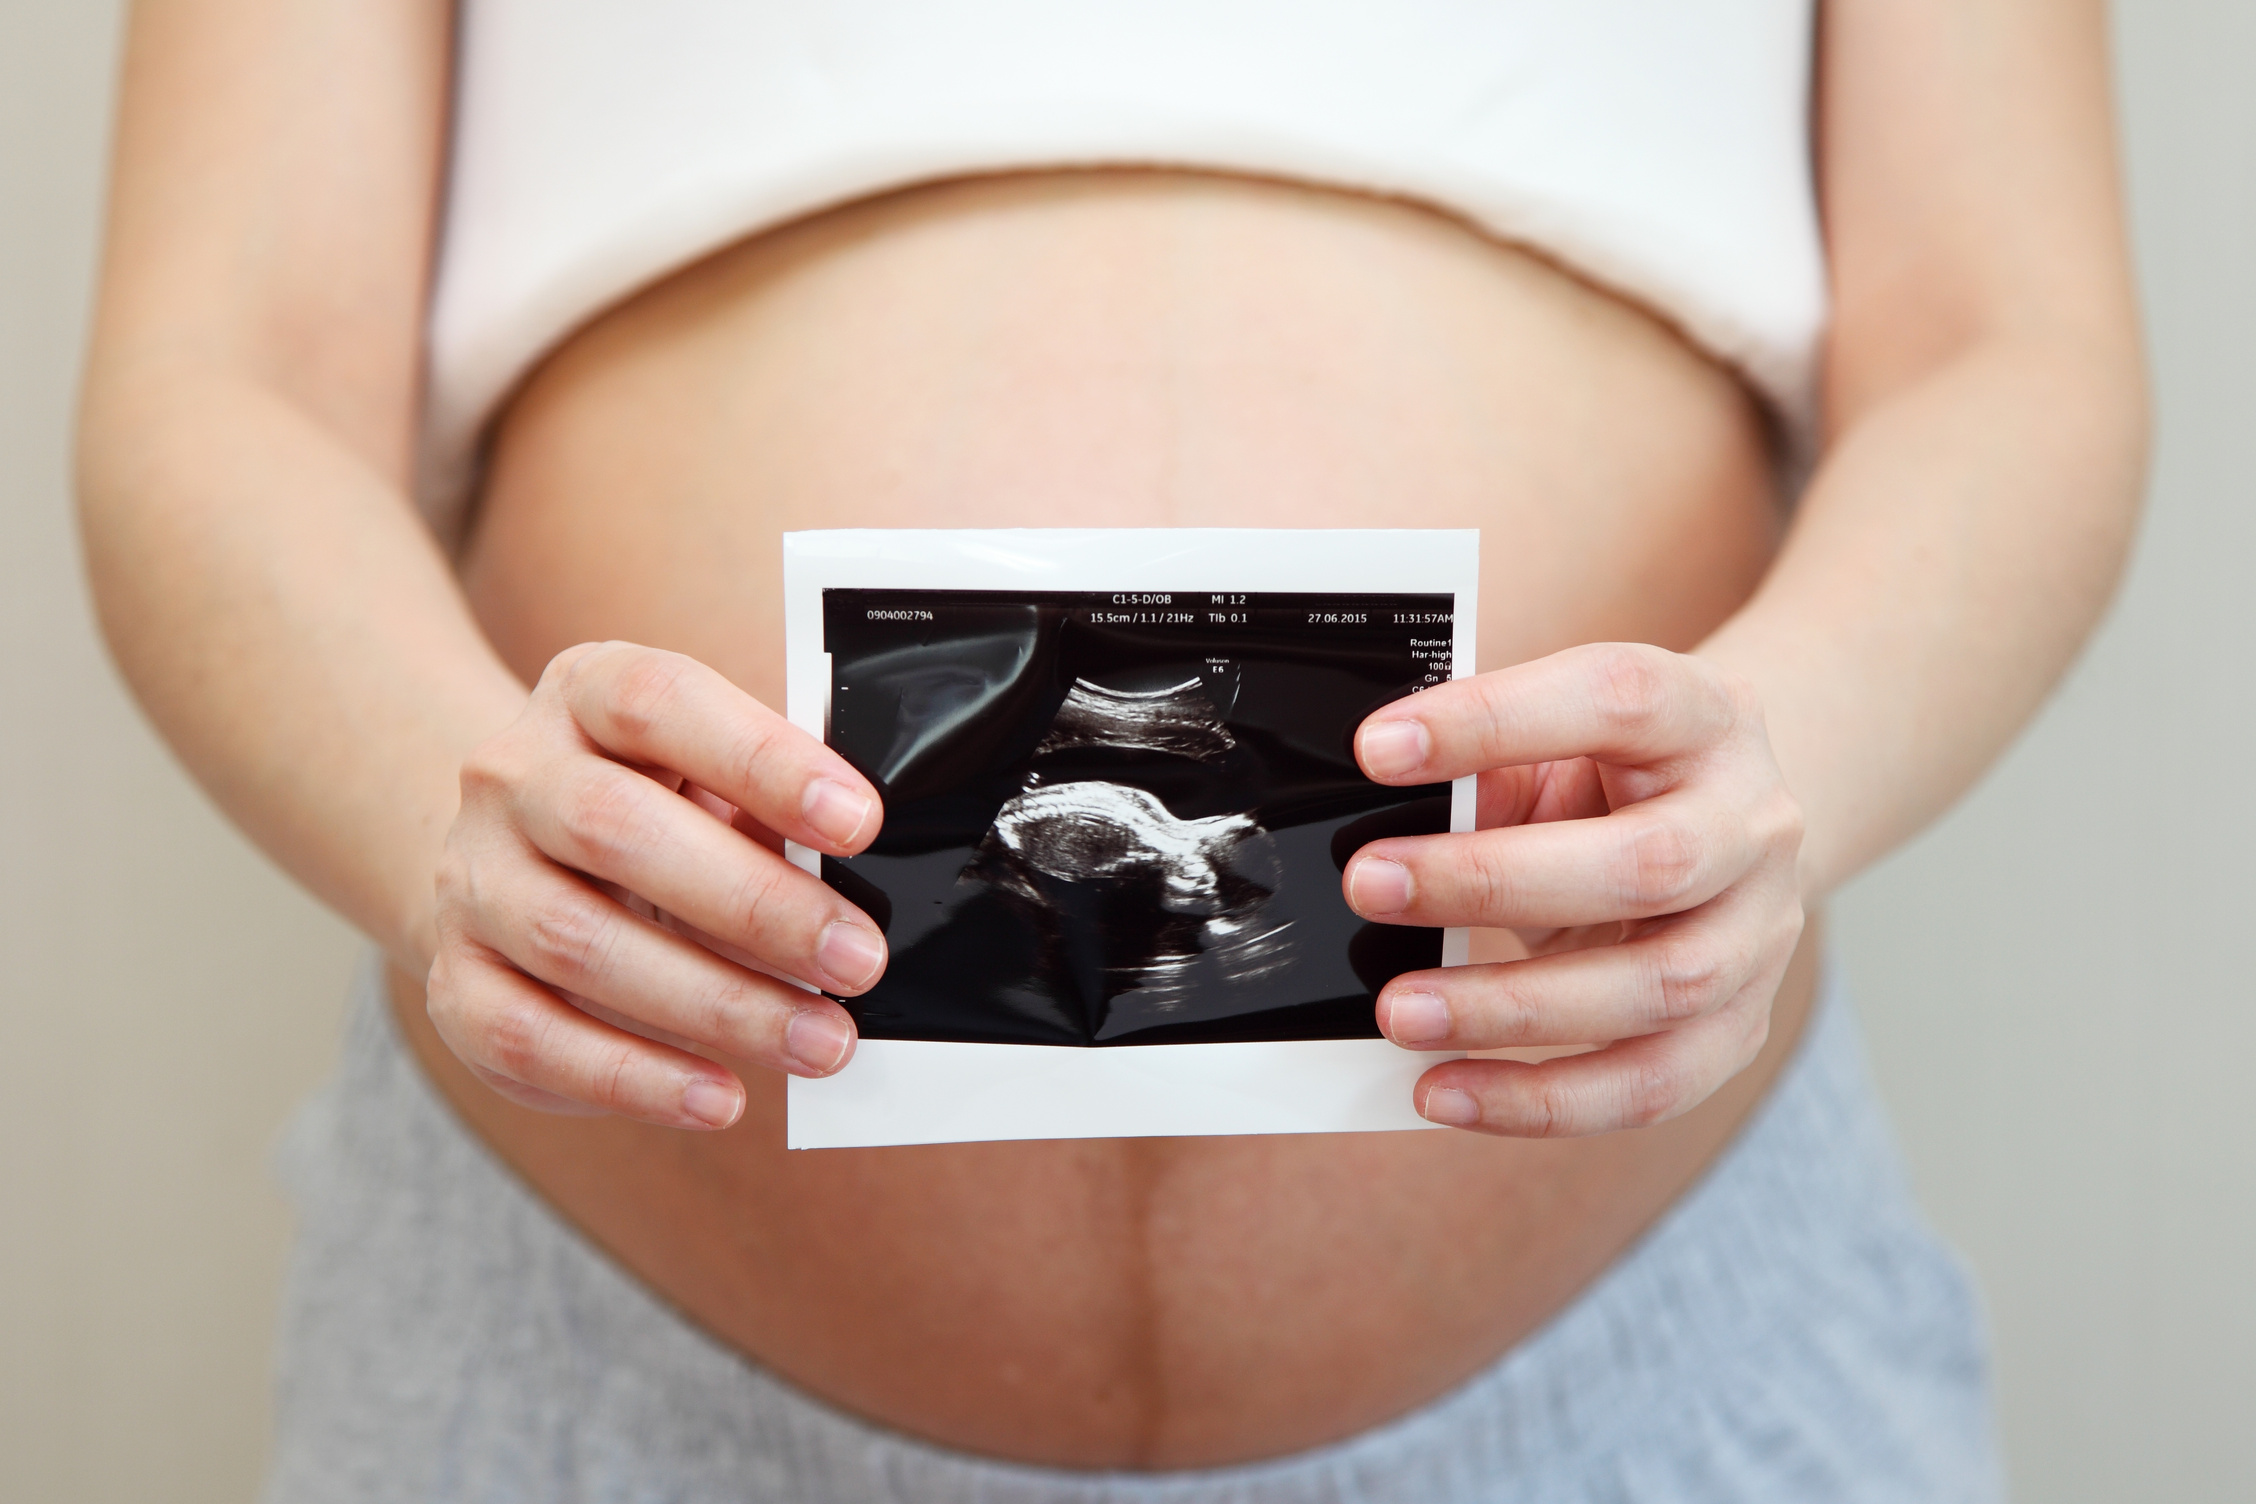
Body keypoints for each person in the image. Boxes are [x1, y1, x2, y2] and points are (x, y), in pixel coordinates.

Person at [76, 2, 2145, 1499]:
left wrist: (1797, 757)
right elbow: (226, 365)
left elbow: (2009, 335)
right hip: (598, 1367)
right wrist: (438, 821)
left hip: (1651, 1370)